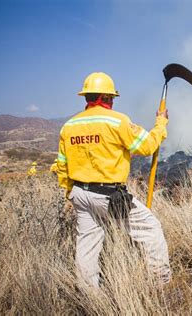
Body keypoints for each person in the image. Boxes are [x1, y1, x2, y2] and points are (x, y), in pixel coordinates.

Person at [57, 72, 171, 288]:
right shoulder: (117, 121)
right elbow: (147, 146)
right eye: (111, 98)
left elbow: (62, 164)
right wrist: (161, 123)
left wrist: (69, 193)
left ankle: (89, 295)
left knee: (87, 247)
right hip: (108, 196)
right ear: (107, 97)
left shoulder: (69, 126)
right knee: (151, 228)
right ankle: (161, 284)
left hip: (79, 194)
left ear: (87, 97)